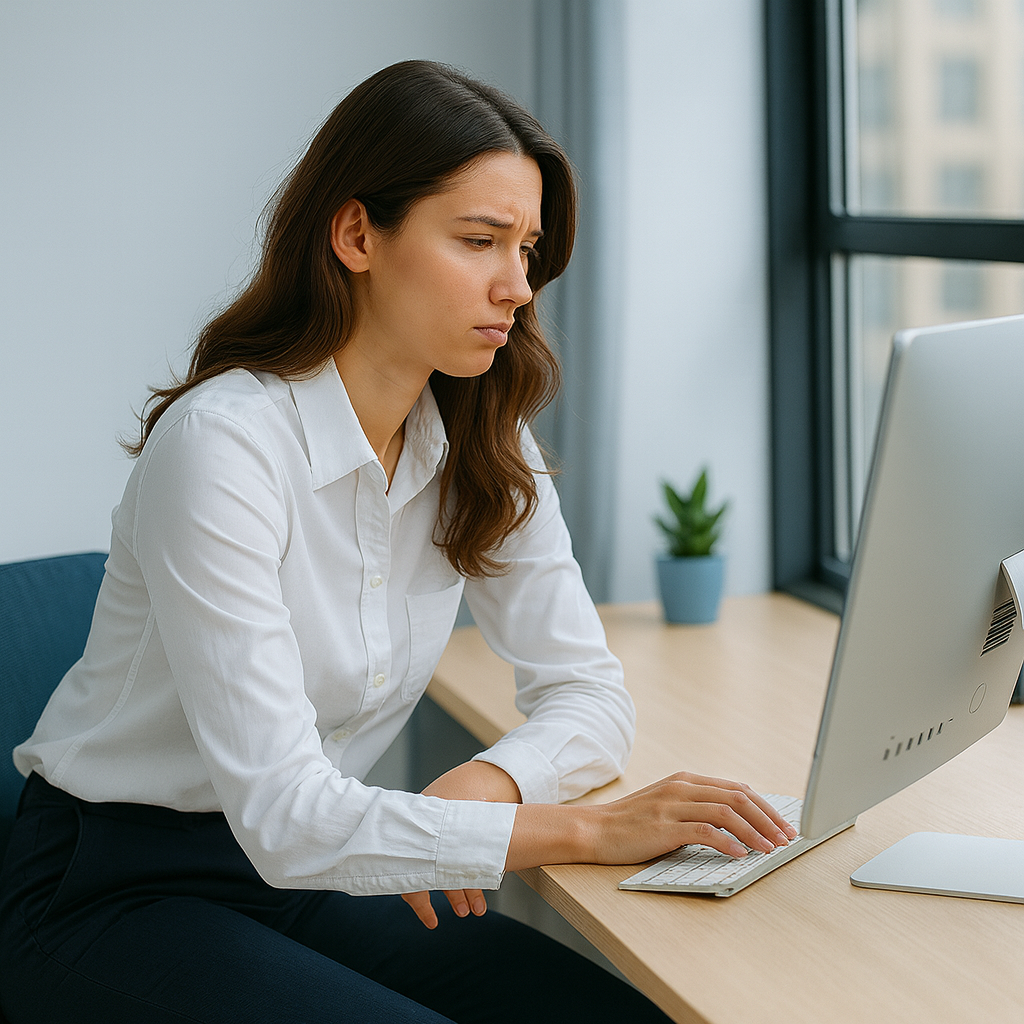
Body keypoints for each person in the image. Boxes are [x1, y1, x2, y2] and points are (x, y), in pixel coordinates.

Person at [0, 61, 796, 1024]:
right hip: (111, 892)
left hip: (299, 874)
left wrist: (490, 783)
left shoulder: (485, 437)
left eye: (529, 248)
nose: (516, 285)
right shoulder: (224, 447)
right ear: (355, 234)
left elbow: (589, 693)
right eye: (478, 240)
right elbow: (289, 817)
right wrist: (585, 827)